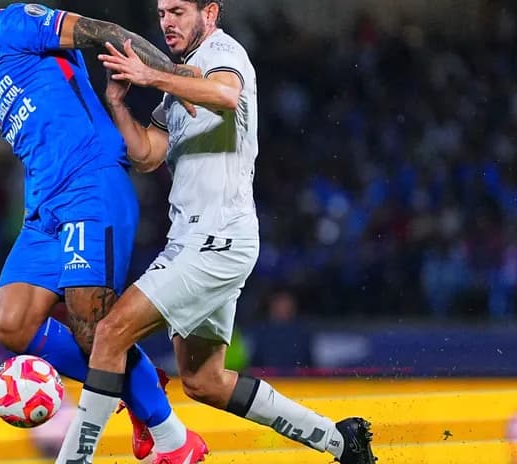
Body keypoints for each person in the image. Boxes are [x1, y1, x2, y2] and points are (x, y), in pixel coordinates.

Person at [54, 1, 378, 463]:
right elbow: (147, 155)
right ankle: (341, 441)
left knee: (110, 333)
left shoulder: (223, 53)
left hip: (216, 239)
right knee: (204, 381)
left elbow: (225, 95)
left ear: (209, 12)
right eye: (161, 13)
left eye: (178, 11)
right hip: (194, 240)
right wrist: (118, 105)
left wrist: (152, 75)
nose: (167, 22)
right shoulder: (179, 84)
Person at [0, 0, 201, 460]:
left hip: (90, 188)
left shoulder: (15, 24)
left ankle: (173, 439)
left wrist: (174, 77)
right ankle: (135, 381)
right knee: (11, 324)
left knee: (92, 330)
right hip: (43, 211)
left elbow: (102, 30)